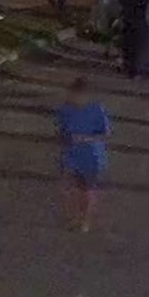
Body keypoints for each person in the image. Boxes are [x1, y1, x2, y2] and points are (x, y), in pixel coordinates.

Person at [56, 77, 112, 233]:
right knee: (71, 188)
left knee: (87, 189)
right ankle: (75, 216)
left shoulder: (97, 110)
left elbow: (105, 133)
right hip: (71, 155)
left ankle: (85, 219)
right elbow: (61, 130)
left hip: (91, 156)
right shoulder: (66, 110)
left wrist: (87, 139)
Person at [118, 0, 149, 79]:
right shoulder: (143, 1)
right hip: (137, 26)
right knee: (136, 49)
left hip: (127, 25)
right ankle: (135, 69)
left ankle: (128, 66)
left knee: (127, 48)